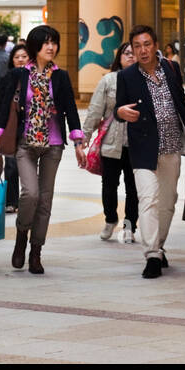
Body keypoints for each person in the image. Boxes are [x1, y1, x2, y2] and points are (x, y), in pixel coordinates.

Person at [0, 25, 86, 275]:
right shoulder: (18, 75)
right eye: (46, 42)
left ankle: (35, 251)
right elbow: (2, 111)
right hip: (25, 144)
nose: (51, 47)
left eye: (54, 42)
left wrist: (77, 142)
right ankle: (21, 235)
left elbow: (70, 111)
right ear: (35, 47)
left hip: (53, 145)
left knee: (45, 200)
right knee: (30, 194)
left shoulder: (60, 76)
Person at [115, 24, 185, 278]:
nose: (142, 50)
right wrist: (120, 112)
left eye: (146, 44)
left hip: (171, 146)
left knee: (167, 203)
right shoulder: (127, 76)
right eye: (137, 46)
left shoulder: (171, 68)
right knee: (148, 199)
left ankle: (159, 245)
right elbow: (118, 109)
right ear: (132, 50)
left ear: (155, 45)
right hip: (143, 148)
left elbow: (180, 100)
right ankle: (152, 255)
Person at [82, 42, 139, 243]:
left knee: (134, 188)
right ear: (119, 57)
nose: (131, 57)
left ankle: (130, 225)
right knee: (109, 185)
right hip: (111, 143)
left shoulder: (144, 80)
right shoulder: (109, 80)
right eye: (127, 53)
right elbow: (95, 110)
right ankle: (110, 219)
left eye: (134, 53)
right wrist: (84, 138)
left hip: (137, 144)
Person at [0, 41, 29, 214]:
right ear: (12, 60)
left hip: (31, 129)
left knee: (28, 167)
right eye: (17, 57)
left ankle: (27, 199)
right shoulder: (7, 79)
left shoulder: (35, 78)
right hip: (11, 128)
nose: (21, 60)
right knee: (11, 165)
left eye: (24, 56)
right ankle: (11, 200)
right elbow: (0, 105)